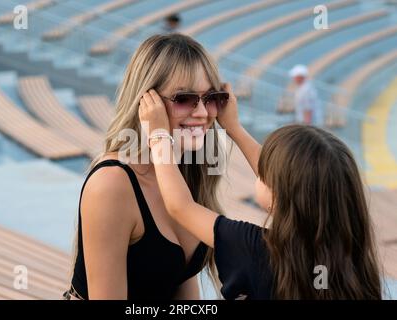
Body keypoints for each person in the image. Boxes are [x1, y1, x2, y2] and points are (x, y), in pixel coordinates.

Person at [138, 83, 383, 299]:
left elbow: (180, 206)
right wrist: (233, 127)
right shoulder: (353, 260)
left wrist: (159, 136)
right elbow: (289, 182)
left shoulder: (255, 248)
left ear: (277, 197)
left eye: (264, 174)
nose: (260, 171)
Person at [64, 33, 230, 300]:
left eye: (211, 98)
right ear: (146, 103)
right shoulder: (113, 184)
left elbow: (179, 279)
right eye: (185, 98)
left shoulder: (189, 169)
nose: (201, 112)